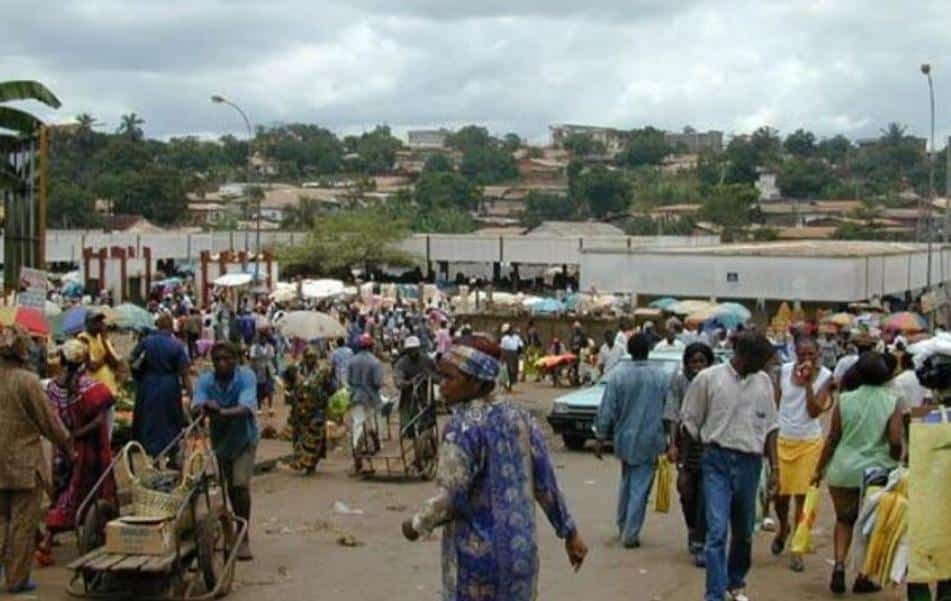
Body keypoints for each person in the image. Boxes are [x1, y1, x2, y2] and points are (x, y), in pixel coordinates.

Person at [402, 336, 588, 600]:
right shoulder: (521, 417)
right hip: (520, 555)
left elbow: (451, 498)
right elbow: (545, 484)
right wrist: (569, 532)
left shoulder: (462, 427)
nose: (442, 385)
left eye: (450, 378)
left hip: (476, 563)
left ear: (476, 382)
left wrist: (417, 524)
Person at [681, 332, 779, 601]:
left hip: (750, 462)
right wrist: (686, 469)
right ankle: (714, 593)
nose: (765, 365)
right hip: (716, 460)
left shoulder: (764, 382)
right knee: (716, 531)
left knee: (744, 531)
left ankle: (736, 582)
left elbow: (771, 426)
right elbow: (690, 424)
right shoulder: (708, 379)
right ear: (745, 356)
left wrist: (775, 468)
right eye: (761, 359)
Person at [812, 352, 902, 595]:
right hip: (877, 472)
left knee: (844, 520)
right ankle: (863, 576)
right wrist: (897, 459)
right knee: (871, 525)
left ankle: (839, 565)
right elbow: (895, 439)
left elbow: (833, 438)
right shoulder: (893, 400)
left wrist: (819, 469)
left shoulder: (845, 400)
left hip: (842, 470)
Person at [0, 325, 72, 594]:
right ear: (22, 351)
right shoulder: (28, 382)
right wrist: (68, 446)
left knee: (2, 520)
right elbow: (49, 422)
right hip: (24, 463)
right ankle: (16, 579)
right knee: (22, 522)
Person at [38, 340, 117, 565]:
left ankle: (49, 540)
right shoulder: (92, 388)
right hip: (89, 449)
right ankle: (50, 541)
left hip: (62, 448)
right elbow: (100, 420)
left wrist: (66, 437)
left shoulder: (52, 388)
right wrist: (76, 435)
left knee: (63, 492)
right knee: (86, 491)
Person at [594, 333, 671, 548]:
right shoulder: (661, 377)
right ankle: (630, 533)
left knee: (627, 482)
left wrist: (600, 437)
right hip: (650, 439)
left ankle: (623, 526)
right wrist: (671, 440)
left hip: (625, 439)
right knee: (640, 487)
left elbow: (607, 409)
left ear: (629, 350)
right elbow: (669, 411)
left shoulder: (618, 376)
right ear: (649, 350)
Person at [771, 336, 833, 573]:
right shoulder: (784, 372)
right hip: (783, 438)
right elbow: (775, 405)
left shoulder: (826, 376)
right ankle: (783, 528)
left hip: (809, 442)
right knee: (780, 495)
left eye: (811, 355)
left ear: (818, 354)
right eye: (802, 355)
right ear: (795, 354)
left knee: (802, 497)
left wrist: (808, 384)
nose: (806, 359)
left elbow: (815, 410)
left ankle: (797, 547)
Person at [192, 342, 258, 561]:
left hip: (244, 439)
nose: (222, 363)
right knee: (228, 487)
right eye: (217, 360)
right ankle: (230, 525)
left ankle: (244, 535)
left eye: (227, 359)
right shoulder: (206, 380)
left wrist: (220, 412)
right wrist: (202, 408)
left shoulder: (246, 377)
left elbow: (245, 407)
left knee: (240, 486)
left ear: (236, 360)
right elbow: (196, 405)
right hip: (221, 441)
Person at [664, 342, 715, 567]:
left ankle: (701, 539)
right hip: (686, 445)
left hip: (710, 443)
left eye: (702, 361)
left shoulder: (715, 380)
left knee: (706, 493)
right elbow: (672, 412)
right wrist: (672, 444)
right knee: (686, 490)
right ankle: (692, 527)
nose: (698, 366)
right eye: (694, 361)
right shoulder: (679, 381)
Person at [129, 313, 191, 459]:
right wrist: (190, 392)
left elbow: (131, 359)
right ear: (171, 327)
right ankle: (171, 451)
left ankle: (150, 451)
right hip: (169, 385)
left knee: (149, 416)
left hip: (148, 383)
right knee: (170, 417)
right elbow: (184, 372)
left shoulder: (146, 341)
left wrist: (138, 375)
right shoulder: (176, 345)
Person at [283, 347, 334, 474]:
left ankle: (311, 464)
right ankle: (301, 461)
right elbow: (287, 385)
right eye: (309, 357)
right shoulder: (295, 370)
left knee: (314, 438)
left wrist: (328, 401)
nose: (311, 360)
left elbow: (330, 388)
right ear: (304, 358)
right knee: (299, 437)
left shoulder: (323, 372)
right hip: (299, 411)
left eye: (313, 357)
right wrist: (289, 394)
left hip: (316, 410)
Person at [348, 334, 384, 470]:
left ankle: (356, 448)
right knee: (373, 422)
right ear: (371, 347)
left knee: (357, 423)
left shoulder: (352, 361)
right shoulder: (375, 362)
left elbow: (349, 380)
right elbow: (377, 382)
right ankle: (376, 444)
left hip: (355, 396)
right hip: (371, 397)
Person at [392, 336, 438, 439]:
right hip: (408, 397)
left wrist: (429, 376)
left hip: (426, 396)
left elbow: (438, 376)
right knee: (408, 426)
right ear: (406, 350)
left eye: (414, 349)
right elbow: (398, 379)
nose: (412, 352)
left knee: (428, 420)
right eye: (409, 350)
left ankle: (428, 434)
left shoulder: (427, 360)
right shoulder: (402, 363)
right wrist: (406, 383)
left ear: (418, 348)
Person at [249, 328, 277, 417]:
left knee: (269, 389)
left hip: (268, 370)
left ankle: (270, 407)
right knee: (259, 389)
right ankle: (259, 408)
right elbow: (252, 360)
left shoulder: (270, 347)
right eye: (261, 338)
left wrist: (274, 370)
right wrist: (252, 371)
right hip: (258, 370)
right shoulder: (254, 348)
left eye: (265, 338)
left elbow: (272, 359)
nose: (263, 340)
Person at [499, 324, 524, 392]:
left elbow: (521, 346)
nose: (511, 331)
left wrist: (520, 354)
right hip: (507, 354)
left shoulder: (517, 337)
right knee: (507, 370)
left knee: (513, 371)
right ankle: (507, 385)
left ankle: (510, 385)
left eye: (511, 330)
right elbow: (502, 349)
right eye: (509, 330)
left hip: (514, 354)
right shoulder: (504, 339)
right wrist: (502, 358)